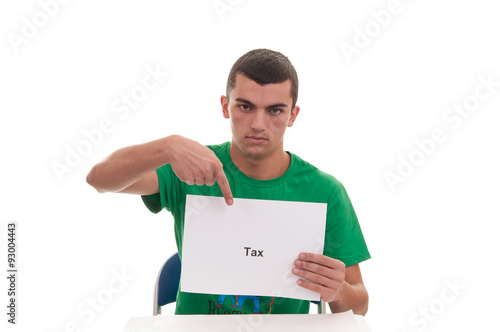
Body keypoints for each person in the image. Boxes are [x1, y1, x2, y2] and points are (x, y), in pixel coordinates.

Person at [87, 48, 370, 315]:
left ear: (292, 115)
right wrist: (167, 147)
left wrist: (338, 291)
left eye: (274, 110)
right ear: (225, 106)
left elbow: (359, 306)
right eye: (245, 107)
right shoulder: (190, 166)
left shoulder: (325, 191)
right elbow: (99, 179)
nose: (258, 123)